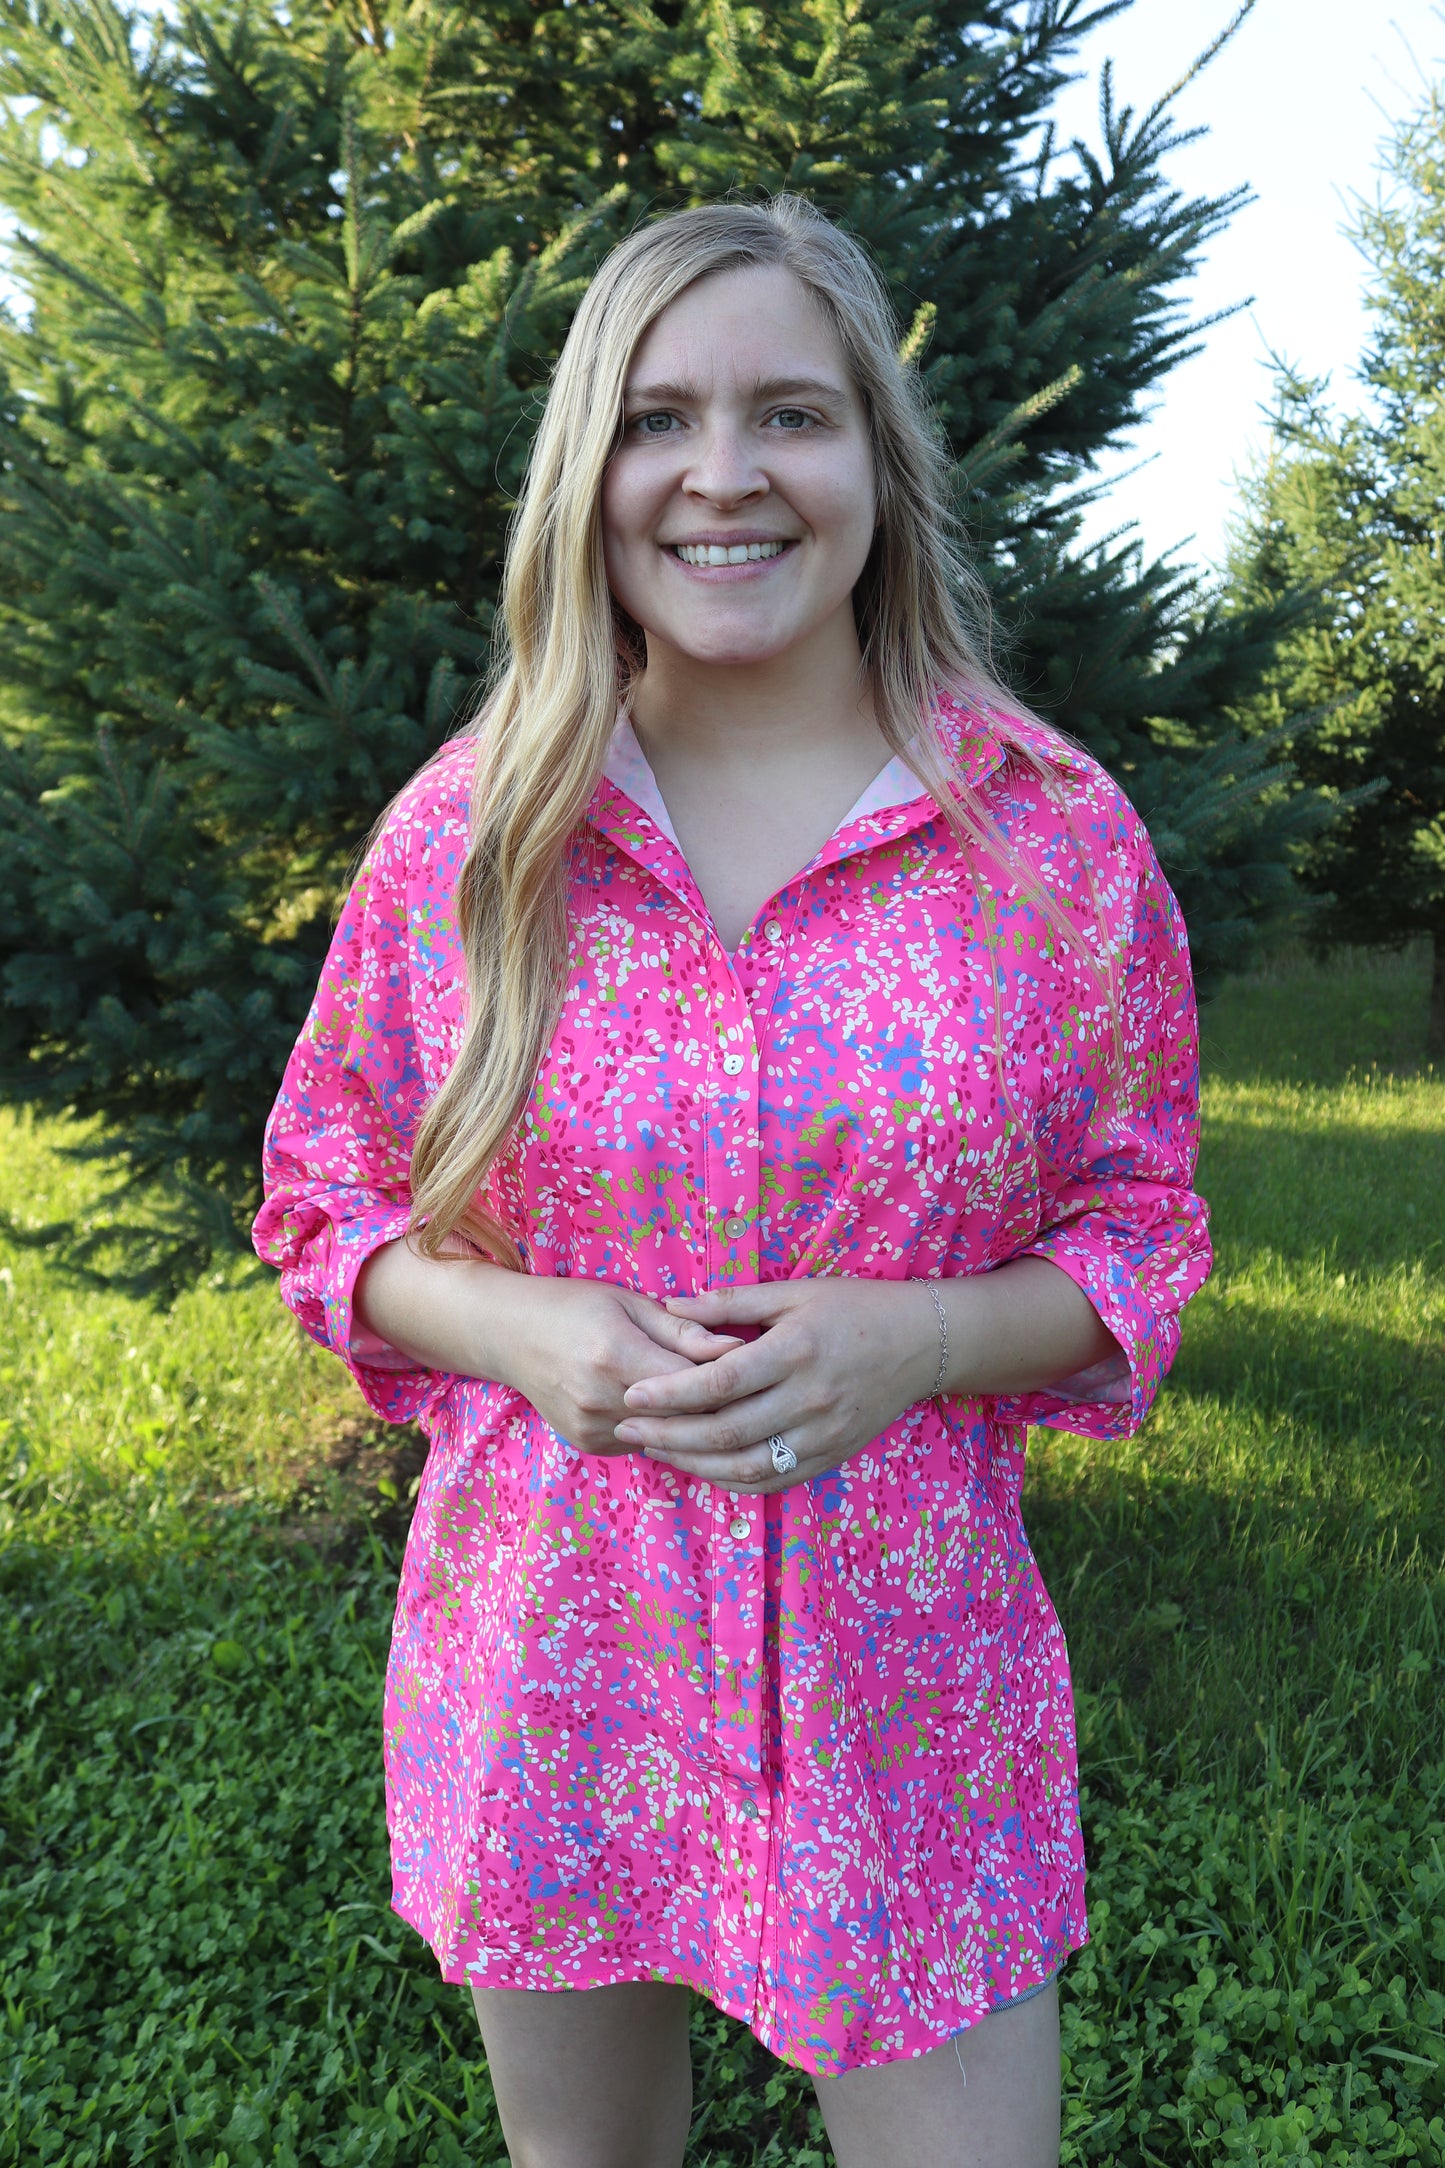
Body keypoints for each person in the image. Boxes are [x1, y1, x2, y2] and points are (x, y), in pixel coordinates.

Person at [253, 195, 1210, 2168]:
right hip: (551, 1666)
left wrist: (925, 1337)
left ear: (877, 459)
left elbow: (1142, 1225)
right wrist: (517, 1327)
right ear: (587, 469)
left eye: (790, 414)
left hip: (911, 1689)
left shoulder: (1047, 842)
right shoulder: (477, 827)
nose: (723, 474)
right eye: (659, 417)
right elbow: (324, 1197)